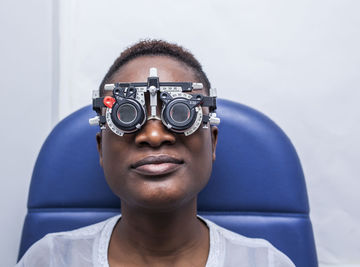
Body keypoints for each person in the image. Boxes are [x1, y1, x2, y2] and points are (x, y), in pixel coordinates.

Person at [16, 40, 294, 266]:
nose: (154, 135)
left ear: (213, 142)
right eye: (126, 115)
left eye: (180, 113)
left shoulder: (265, 262)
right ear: (101, 148)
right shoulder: (51, 259)